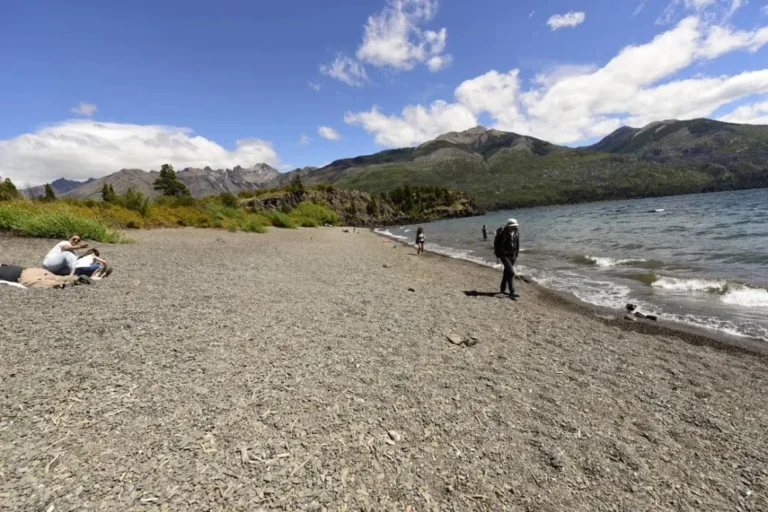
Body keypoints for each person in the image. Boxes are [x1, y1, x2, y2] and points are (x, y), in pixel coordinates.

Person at [0, 263, 91, 288]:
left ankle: (61, 285)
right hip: (34, 270)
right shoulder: (4, 265)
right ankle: (76, 278)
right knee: (56, 277)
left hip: (24, 275)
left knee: (34, 283)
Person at [494, 219, 520, 298]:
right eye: (513, 226)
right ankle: (512, 291)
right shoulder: (502, 233)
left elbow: (517, 244)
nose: (515, 227)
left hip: (513, 255)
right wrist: (499, 254)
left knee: (506, 272)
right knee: (511, 272)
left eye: (515, 226)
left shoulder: (516, 232)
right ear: (508, 226)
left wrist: (516, 254)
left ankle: (503, 289)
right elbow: (496, 244)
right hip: (504, 255)